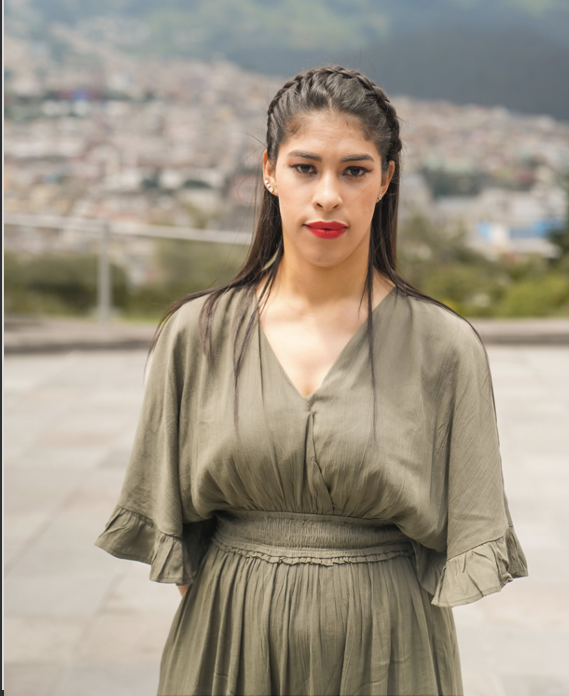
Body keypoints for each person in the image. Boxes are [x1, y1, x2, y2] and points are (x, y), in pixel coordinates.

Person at [95, 65, 527, 696]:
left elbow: (462, 538)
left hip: (389, 648)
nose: (328, 195)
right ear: (269, 172)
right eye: (306, 168)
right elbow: (180, 544)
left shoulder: (445, 347)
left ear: (386, 179)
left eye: (353, 170)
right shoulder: (197, 334)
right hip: (228, 640)